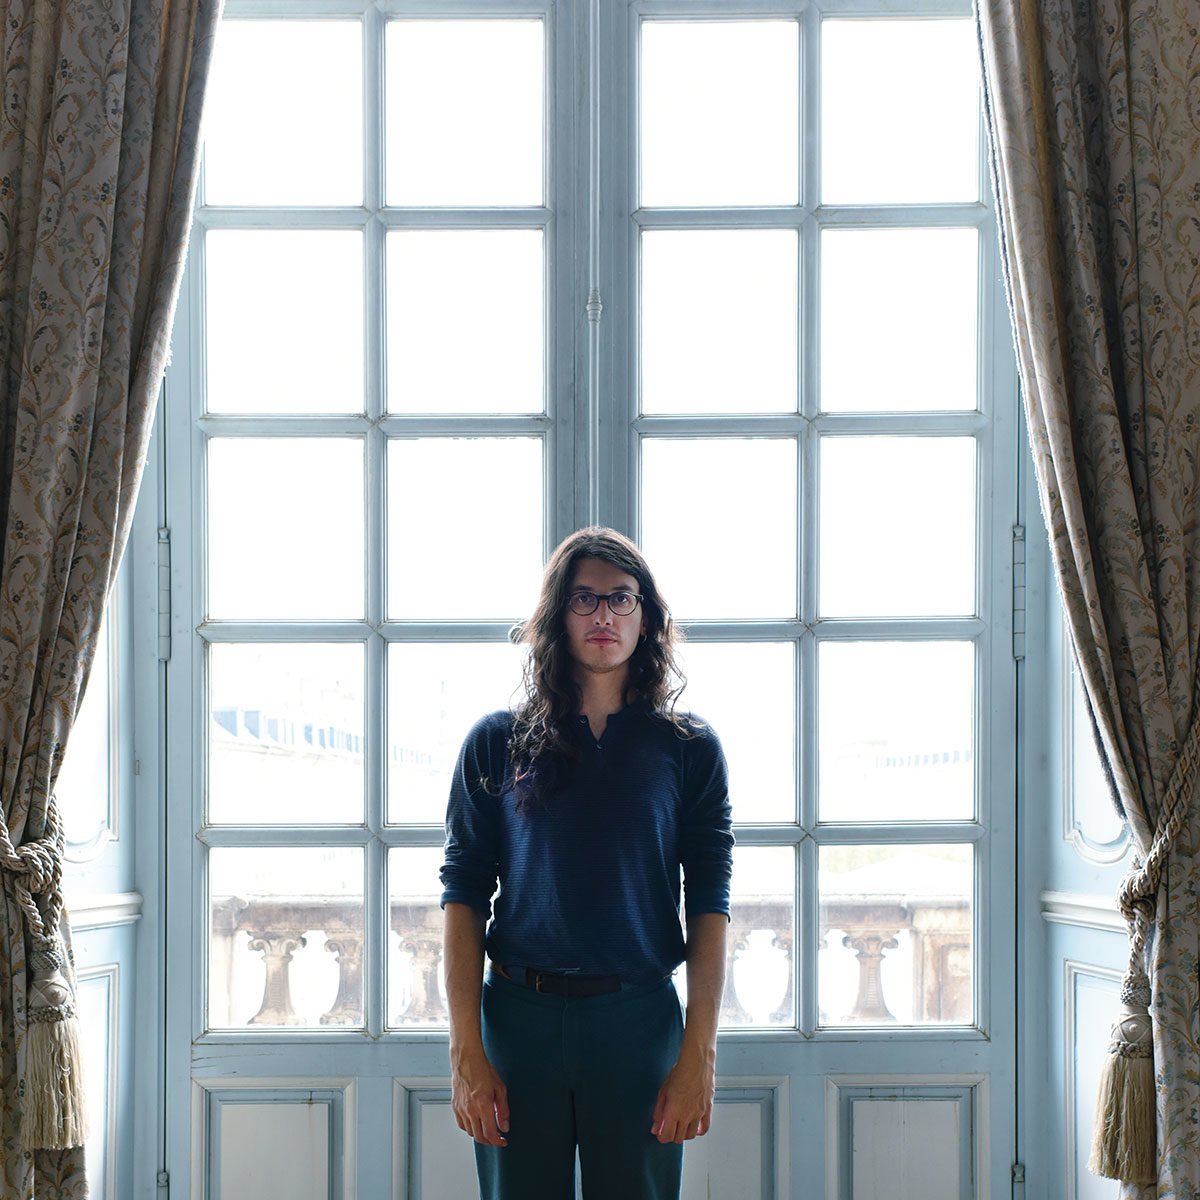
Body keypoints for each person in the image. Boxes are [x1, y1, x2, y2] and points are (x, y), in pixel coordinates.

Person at [439, 526, 734, 1200]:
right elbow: (462, 895)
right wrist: (466, 1054)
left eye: (622, 599)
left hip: (637, 1021)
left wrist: (699, 1054)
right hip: (518, 1021)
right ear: (556, 616)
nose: (604, 615)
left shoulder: (689, 750)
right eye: (584, 599)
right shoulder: (497, 742)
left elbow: (710, 901)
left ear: (648, 618)